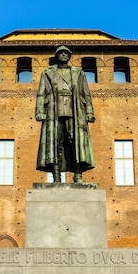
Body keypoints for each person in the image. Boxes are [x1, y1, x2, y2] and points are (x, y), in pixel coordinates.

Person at [35, 46, 95, 183]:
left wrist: (89, 111)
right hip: (53, 112)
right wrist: (39, 111)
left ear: (69, 56)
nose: (63, 55)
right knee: (55, 143)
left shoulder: (79, 73)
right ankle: (56, 176)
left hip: (74, 111)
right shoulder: (47, 73)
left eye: (66, 53)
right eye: (60, 53)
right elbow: (40, 94)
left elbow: (86, 94)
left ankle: (78, 174)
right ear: (56, 56)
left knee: (76, 142)